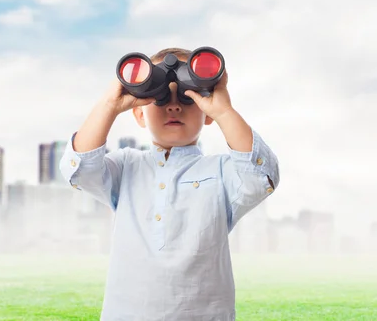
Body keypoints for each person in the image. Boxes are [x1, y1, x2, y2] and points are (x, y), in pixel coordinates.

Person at [58, 47, 280, 320]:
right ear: (139, 113)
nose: (174, 106)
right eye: (161, 98)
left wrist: (225, 111)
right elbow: (80, 168)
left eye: (188, 98)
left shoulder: (222, 172)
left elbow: (261, 176)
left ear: (206, 113)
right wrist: (109, 104)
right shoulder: (126, 166)